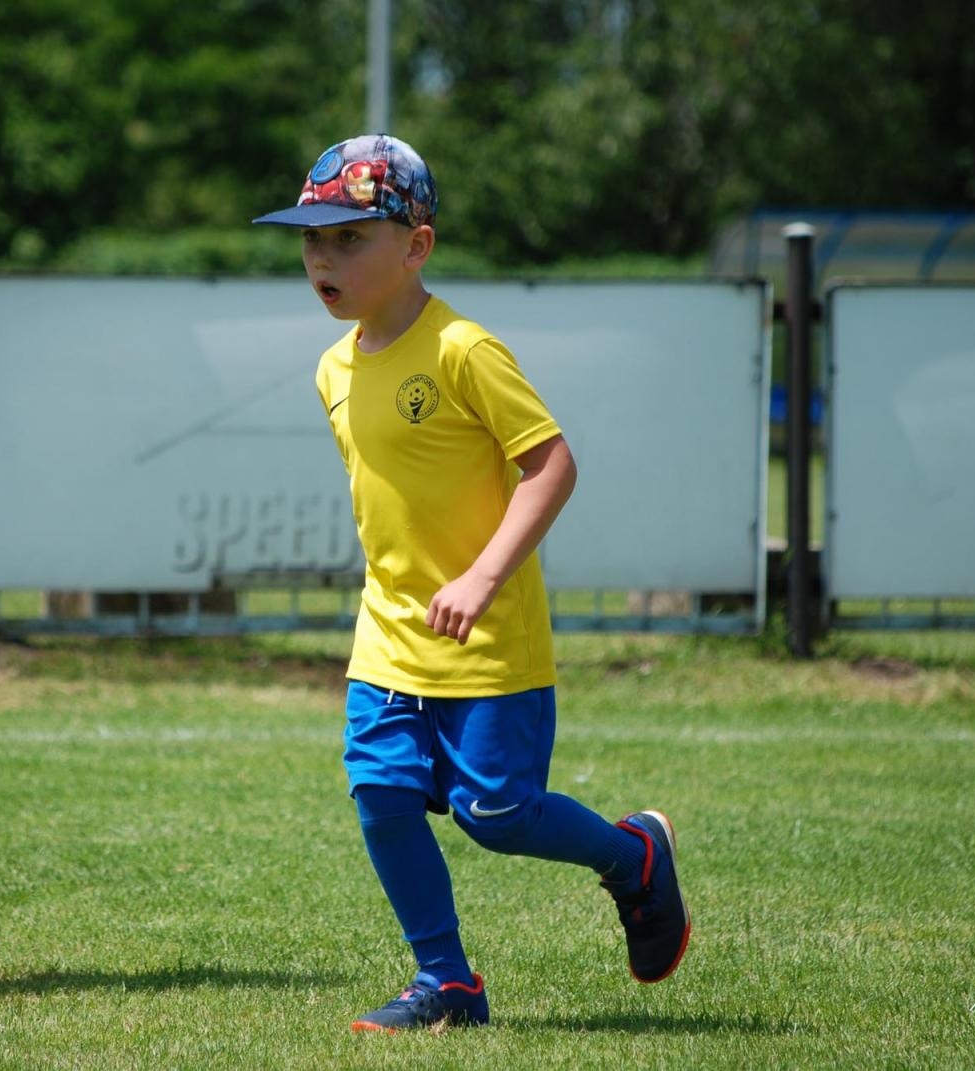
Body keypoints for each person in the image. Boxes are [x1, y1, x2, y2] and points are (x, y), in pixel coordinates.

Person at [253, 134, 689, 1032]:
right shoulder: (333, 369)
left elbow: (552, 464)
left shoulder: (464, 348)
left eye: (348, 238)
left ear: (416, 245)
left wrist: (485, 575)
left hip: (488, 631)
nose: (322, 259)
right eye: (311, 240)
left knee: (496, 813)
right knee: (379, 794)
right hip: (390, 632)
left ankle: (635, 857)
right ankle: (447, 982)